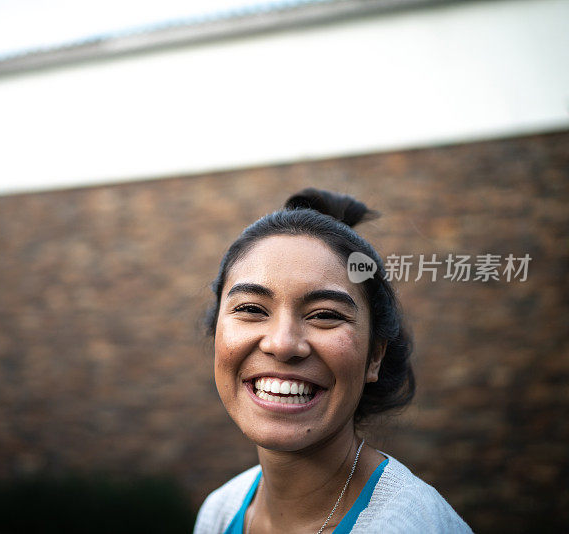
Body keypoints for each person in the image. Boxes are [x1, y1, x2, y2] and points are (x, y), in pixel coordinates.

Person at [194, 188, 471, 534]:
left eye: (324, 315)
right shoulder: (221, 511)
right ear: (216, 332)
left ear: (375, 356)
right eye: (251, 309)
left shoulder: (408, 526)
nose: (282, 344)